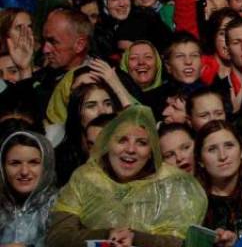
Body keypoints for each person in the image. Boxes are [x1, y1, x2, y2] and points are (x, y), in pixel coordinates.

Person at [47, 106, 207, 247]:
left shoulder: (176, 184)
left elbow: (185, 244)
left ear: (151, 152)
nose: (131, 149)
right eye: (122, 140)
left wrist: (136, 238)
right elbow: (57, 239)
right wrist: (107, 235)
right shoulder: (85, 178)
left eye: (141, 143)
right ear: (107, 144)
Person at [194, 120, 242, 245]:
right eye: (212, 149)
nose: (223, 156)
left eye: (229, 146)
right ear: (200, 160)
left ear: (241, 151)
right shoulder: (193, 204)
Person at [0, 130, 58, 247]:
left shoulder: (61, 207)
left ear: (47, 166)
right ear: (3, 167)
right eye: (15, 163)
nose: (24, 171)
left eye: (33, 163)